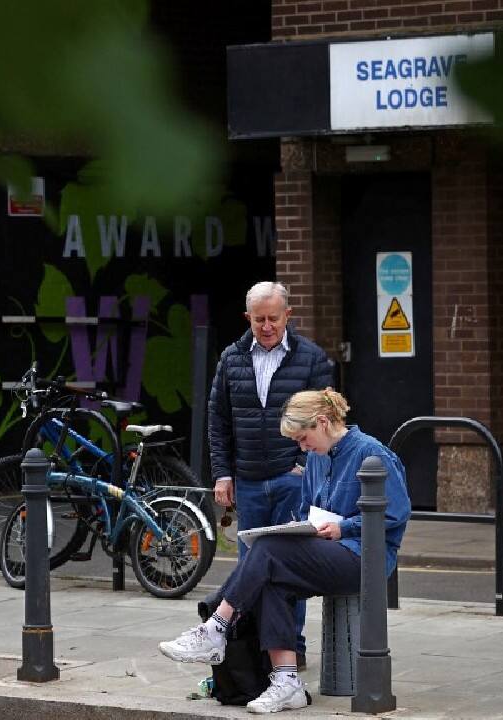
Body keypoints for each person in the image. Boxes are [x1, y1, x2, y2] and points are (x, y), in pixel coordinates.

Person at [159, 388, 410, 714]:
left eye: (304, 438)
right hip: (329, 552)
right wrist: (302, 528)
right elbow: (309, 510)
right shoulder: (317, 459)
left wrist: (343, 527)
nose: (302, 447)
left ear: (323, 422)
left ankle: (216, 628)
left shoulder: (372, 454)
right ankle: (286, 681)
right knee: (271, 580)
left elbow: (396, 513)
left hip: (365, 557)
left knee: (268, 550)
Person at [207, 281, 333, 667]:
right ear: (248, 318)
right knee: (251, 570)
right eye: (258, 319)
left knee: (288, 571)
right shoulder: (230, 359)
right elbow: (219, 420)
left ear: (287, 316)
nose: (266, 326)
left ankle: (291, 650)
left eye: (273, 319)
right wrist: (223, 474)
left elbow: (329, 421)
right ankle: (258, 651)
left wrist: (310, 471)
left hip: (291, 478)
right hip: (247, 481)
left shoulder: (311, 358)